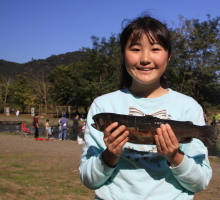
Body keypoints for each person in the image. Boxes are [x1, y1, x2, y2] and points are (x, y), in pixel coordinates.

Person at [79, 15, 212, 200]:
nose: (145, 58)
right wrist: (110, 154)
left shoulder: (189, 107)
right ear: (123, 53)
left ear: (169, 55)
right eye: (135, 49)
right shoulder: (103, 105)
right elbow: (89, 180)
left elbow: (200, 182)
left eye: (155, 49)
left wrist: (174, 155)